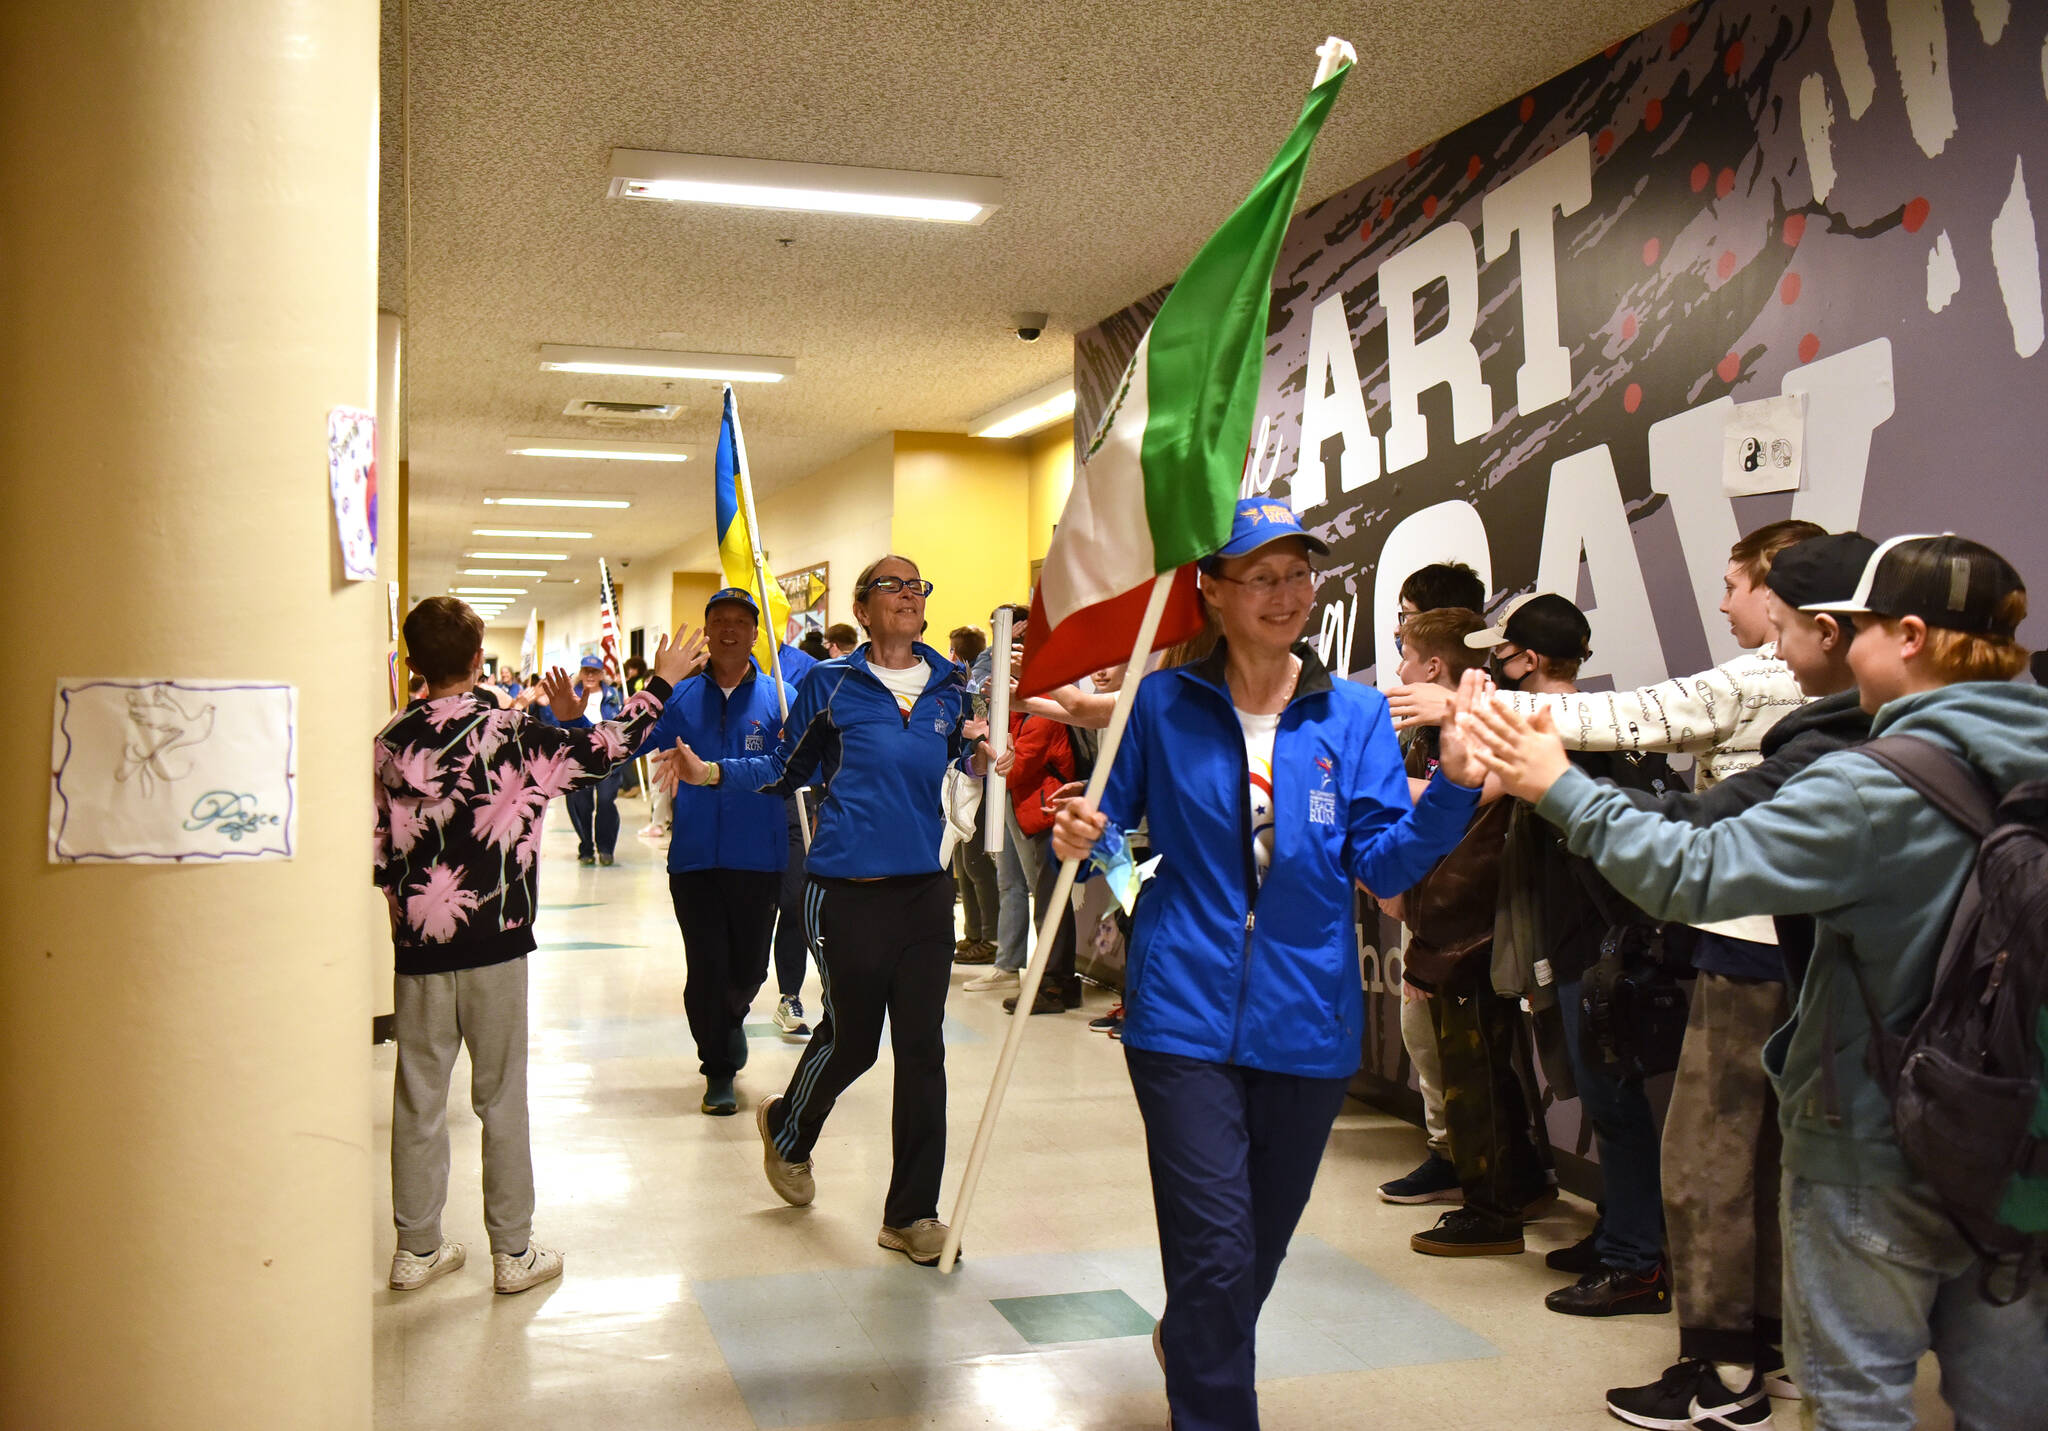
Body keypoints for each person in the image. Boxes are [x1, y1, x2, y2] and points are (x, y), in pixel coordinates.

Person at [1459, 534, 2048, 1431]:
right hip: (2023, 1147)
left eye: (1860, 628)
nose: (1841, 648)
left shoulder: (1872, 785)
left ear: (1913, 636)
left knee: (1859, 1397)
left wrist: (1557, 786)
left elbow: (1689, 870)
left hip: (1877, 1141)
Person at [1051, 498, 1487, 1431]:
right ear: (1212, 592)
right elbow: (1115, 841)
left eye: (1299, 574)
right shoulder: (1161, 705)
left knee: (1252, 1255)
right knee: (1214, 1252)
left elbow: (1381, 865)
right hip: (1178, 1019)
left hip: (1306, 1019)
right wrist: (1101, 855)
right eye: (1263, 576)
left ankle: (1195, 1340)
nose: (1287, 594)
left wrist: (1452, 788)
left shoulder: (1357, 713)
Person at [1390, 518, 1820, 1276]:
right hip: (1652, 941)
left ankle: (1649, 1269)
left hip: (1640, 948)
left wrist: (1465, 711)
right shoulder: (1776, 705)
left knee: (1681, 1125)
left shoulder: (1750, 688)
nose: (1724, 605)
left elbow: (1621, 724)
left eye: (1733, 586)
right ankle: (1650, 1259)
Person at [657, 554, 1006, 1266]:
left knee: (922, 1048)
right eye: (893, 585)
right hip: (843, 891)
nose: (909, 594)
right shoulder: (829, 684)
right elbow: (787, 769)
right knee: (853, 1039)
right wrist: (713, 770)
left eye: (919, 584)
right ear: (865, 606)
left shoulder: (947, 687)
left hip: (924, 891)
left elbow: (953, 762)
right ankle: (788, 1127)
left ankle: (911, 1212)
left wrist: (979, 759)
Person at [1600, 531, 1876, 1429]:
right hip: (1818, 966)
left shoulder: (1798, 713)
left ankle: (1719, 1372)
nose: (1741, 619)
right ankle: (1769, 1349)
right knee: (1777, 1165)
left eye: (1744, 593)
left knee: (1705, 1158)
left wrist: (1515, 740)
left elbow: (1639, 739)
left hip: (1752, 948)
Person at [373, 597, 690, 1296]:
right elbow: (607, 749)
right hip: (496, 942)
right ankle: (512, 1253)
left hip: (418, 949)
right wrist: (660, 682)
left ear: (413, 661)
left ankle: (417, 1248)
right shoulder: (511, 733)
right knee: (501, 1097)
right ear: (477, 657)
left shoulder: (390, 742)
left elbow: (375, 851)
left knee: (418, 1098)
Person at [1441, 593, 1671, 1307]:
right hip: (1583, 944)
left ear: (1529, 660)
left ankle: (1638, 1257)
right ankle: (1618, 1232)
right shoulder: (1599, 730)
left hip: (1598, 948)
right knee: (1604, 1101)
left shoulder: (1570, 740)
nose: (1492, 665)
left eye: (1501, 654)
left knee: (1614, 1102)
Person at [1375, 606, 1555, 1258]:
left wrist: (1367, 777)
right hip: (1455, 925)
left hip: (1468, 930)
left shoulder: (1485, 735)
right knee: (1477, 1072)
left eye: (1405, 652)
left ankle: (1492, 1207)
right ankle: (1520, 1184)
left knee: (1473, 1074)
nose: (1397, 670)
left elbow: (1468, 809)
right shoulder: (1445, 732)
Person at [633, 589, 793, 1116]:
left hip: (759, 858)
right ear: (707, 631)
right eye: (718, 620)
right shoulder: (680, 698)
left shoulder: (781, 699)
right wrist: (570, 722)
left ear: (755, 634)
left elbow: (792, 768)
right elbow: (628, 740)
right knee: (705, 968)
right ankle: (718, 1070)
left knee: (748, 968)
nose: (729, 629)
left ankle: (731, 1018)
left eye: (740, 622)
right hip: (695, 860)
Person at [1378, 560, 1489, 1207]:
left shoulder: (1479, 722)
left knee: (1472, 1060)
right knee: (1430, 1041)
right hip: (1431, 909)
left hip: (1461, 917)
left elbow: (1476, 798)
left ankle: (1483, 1176)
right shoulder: (1420, 725)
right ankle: (1456, 1156)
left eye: (1405, 634)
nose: (1396, 656)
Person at [948, 623, 1000, 965]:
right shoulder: (966, 680)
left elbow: (979, 724)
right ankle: (975, 933)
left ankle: (991, 937)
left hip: (982, 779)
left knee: (978, 866)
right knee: (964, 866)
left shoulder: (976, 683)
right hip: (963, 778)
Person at [541, 655, 626, 866]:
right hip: (578, 754)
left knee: (606, 802)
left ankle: (606, 848)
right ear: (580, 672)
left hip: (608, 756)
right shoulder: (571, 692)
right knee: (580, 804)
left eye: (594, 671)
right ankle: (586, 846)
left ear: (601, 674)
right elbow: (555, 721)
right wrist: (544, 707)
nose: (590, 675)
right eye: (586, 671)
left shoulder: (613, 694)